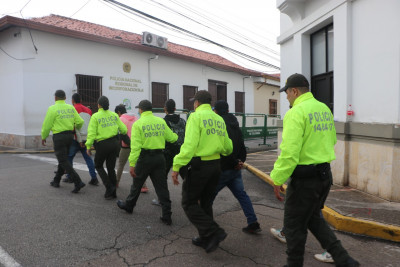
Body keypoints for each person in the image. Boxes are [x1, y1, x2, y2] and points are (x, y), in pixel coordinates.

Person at [270, 73, 359, 267]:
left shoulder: (296, 112)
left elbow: (289, 153)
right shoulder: (324, 109)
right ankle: (345, 260)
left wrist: (277, 178)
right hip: (324, 176)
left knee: (294, 226)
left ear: (294, 91)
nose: (286, 97)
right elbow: (332, 140)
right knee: (313, 220)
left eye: (287, 93)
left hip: (304, 181)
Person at [171, 90, 233, 253]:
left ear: (197, 103)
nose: (193, 104)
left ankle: (214, 231)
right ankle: (206, 238)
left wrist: (176, 165)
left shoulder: (195, 117)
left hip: (200, 167)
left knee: (189, 202)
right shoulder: (218, 119)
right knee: (205, 202)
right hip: (216, 166)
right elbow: (228, 147)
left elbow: (189, 146)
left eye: (194, 102)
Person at [116, 100, 178, 225]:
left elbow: (135, 146)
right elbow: (172, 138)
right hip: (160, 158)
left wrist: (132, 164)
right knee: (162, 187)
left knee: (137, 184)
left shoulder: (138, 124)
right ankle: (167, 215)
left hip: (145, 158)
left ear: (141, 110)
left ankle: (129, 205)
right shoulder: (160, 121)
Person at [212, 100, 261, 234]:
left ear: (217, 111)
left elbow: (224, 149)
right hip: (235, 169)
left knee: (208, 196)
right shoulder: (236, 124)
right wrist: (240, 162)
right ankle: (253, 222)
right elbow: (241, 146)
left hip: (224, 168)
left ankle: (207, 229)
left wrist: (234, 162)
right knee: (242, 195)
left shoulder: (219, 125)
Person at [41, 89, 86, 193]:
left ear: (55, 98)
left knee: (63, 160)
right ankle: (56, 180)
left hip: (59, 137)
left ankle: (78, 181)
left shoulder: (52, 109)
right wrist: (75, 128)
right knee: (63, 159)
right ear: (65, 98)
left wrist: (44, 136)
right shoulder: (71, 108)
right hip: (69, 136)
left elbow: (47, 125)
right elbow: (80, 121)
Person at [86, 96, 127, 200]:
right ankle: (113, 192)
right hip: (114, 143)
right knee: (110, 168)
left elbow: (91, 133)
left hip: (102, 144)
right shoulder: (114, 115)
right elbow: (123, 130)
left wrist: (88, 146)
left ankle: (109, 187)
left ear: (98, 105)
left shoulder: (95, 116)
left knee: (98, 165)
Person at [152, 99, 187, 206]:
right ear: (175, 109)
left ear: (165, 109)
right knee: (186, 176)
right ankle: (191, 198)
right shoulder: (182, 121)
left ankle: (162, 200)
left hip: (167, 153)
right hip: (181, 152)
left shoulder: (163, 122)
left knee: (162, 177)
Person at [62, 93, 99, 186]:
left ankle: (70, 177)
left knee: (69, 157)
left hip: (76, 137)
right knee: (88, 158)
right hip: (86, 138)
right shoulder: (88, 110)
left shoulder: (72, 109)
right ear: (81, 100)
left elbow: (73, 125)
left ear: (72, 101)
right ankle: (94, 177)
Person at [114, 104, 149, 192]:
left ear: (118, 112)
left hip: (126, 146)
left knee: (121, 165)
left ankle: (116, 182)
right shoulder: (135, 118)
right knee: (138, 166)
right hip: (136, 146)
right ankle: (144, 186)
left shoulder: (120, 119)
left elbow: (120, 133)